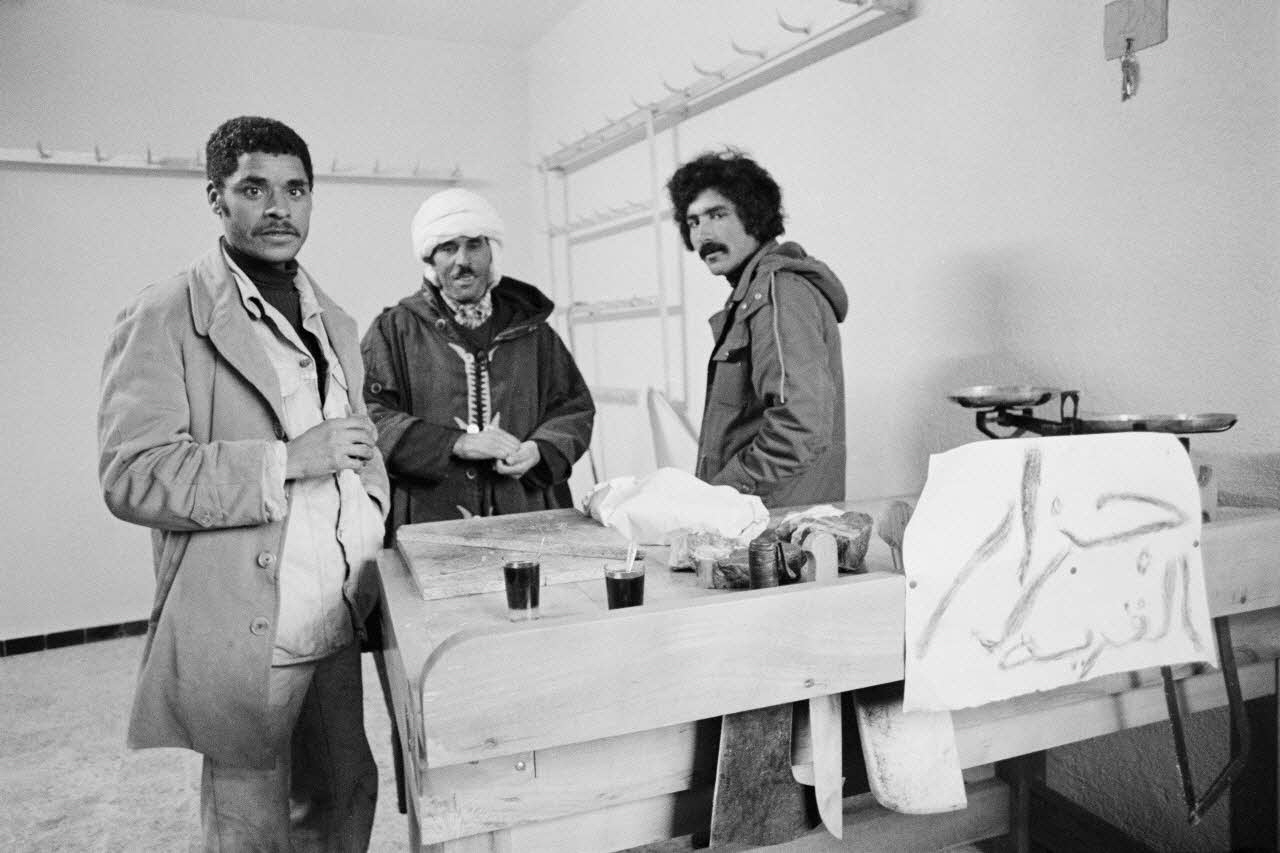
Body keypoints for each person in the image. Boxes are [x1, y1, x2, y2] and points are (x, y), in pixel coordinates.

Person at [98, 116, 388, 850]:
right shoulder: (168, 313)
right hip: (250, 624)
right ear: (216, 199)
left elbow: (354, 442)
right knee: (249, 826)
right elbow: (133, 474)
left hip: (337, 609)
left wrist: (372, 507)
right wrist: (287, 459)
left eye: (296, 189)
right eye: (253, 188)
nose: (279, 207)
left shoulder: (336, 320)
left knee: (346, 796)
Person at [361, 188, 594, 535]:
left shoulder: (534, 332)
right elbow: (369, 415)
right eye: (448, 248)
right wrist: (455, 443)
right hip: (431, 518)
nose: (462, 261)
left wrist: (539, 451)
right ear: (430, 259)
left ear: (491, 251)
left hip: (526, 510)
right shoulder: (393, 330)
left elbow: (574, 408)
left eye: (473, 245)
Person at [666, 149, 848, 509]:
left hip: (773, 527)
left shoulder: (779, 292)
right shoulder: (752, 296)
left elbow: (800, 425)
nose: (704, 234)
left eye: (718, 215)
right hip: (758, 520)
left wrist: (719, 498)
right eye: (694, 222)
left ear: (755, 216)